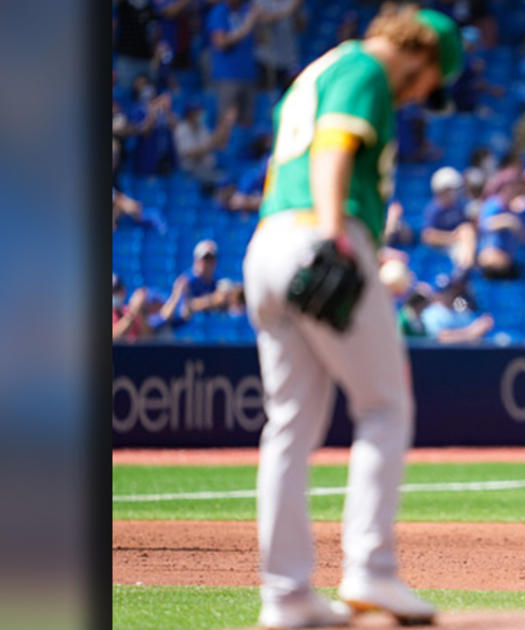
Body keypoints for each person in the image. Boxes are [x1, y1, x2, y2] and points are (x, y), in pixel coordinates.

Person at [241, 6, 463, 627]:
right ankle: (371, 571)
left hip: (268, 244)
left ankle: (285, 597)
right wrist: (337, 237)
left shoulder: (321, 66)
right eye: (427, 81)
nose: (421, 95)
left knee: (288, 425)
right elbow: (335, 148)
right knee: (384, 408)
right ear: (419, 56)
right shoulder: (366, 66)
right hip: (319, 234)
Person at [207, 0, 261, 127]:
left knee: (247, 124)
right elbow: (220, 43)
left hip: (248, 74)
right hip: (227, 76)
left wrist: (259, 23)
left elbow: (261, 40)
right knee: (226, 123)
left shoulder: (247, 10)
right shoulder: (219, 11)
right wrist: (248, 25)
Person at [421, 166, 477, 271]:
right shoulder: (434, 209)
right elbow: (428, 236)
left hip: (459, 244)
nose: (455, 192)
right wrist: (453, 237)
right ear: (442, 190)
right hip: (441, 248)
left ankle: (466, 269)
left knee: (467, 230)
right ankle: (464, 271)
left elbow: (466, 227)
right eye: (451, 189)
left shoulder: (458, 206)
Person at [174, 104, 238, 185]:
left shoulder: (202, 128)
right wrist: (208, 146)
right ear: (190, 114)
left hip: (206, 168)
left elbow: (218, 144)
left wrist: (226, 125)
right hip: (190, 171)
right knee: (221, 181)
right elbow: (191, 153)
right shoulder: (181, 130)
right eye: (197, 112)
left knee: (228, 179)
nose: (200, 114)